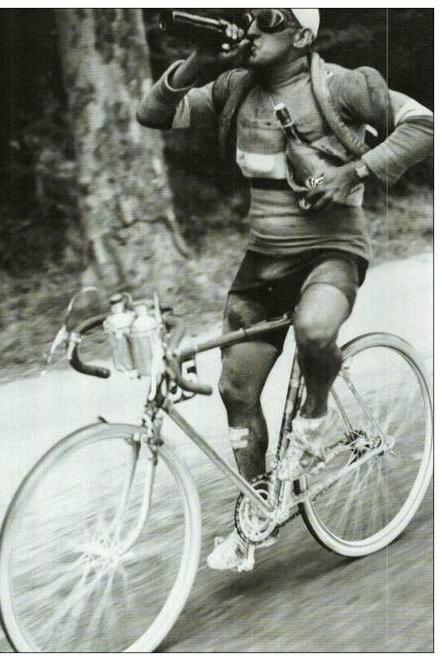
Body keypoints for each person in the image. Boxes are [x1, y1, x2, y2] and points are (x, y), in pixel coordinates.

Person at [136, 9, 433, 572]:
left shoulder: (342, 86)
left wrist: (354, 172)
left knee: (315, 331)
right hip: (264, 262)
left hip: (332, 250)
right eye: (250, 17)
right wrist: (200, 59)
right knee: (236, 389)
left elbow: (424, 124)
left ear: (301, 35)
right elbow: (153, 114)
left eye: (269, 20)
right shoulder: (233, 88)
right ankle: (257, 512)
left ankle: (312, 428)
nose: (252, 30)